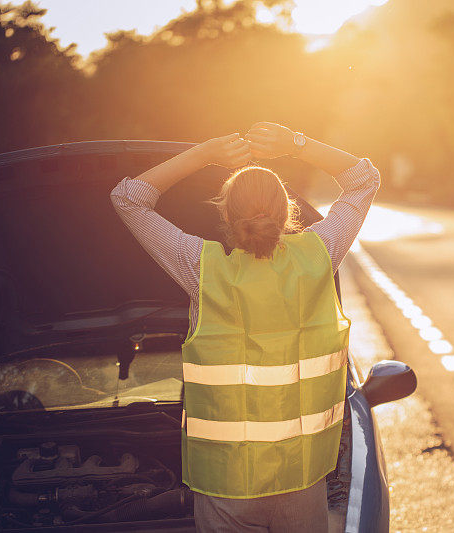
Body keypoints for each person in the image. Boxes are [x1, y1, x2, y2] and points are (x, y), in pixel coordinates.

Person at [110, 122, 381, 532]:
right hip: (301, 481)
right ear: (286, 209)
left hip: (225, 485)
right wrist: (295, 144)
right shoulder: (320, 254)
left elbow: (128, 198)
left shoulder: (201, 267)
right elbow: (363, 179)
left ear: (225, 213)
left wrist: (204, 153)